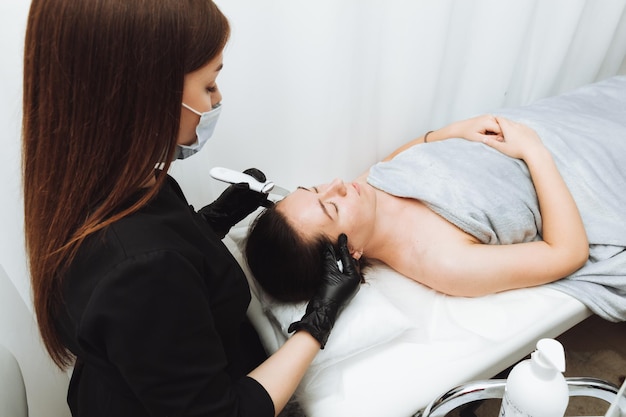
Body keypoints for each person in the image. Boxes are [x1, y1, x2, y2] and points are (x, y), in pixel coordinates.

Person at [22, 1, 363, 416]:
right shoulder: (141, 270)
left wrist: (215, 218)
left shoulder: (102, 181)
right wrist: (318, 321)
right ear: (145, 94)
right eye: (208, 86)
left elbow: (159, 269)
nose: (217, 100)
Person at [245, 114, 591, 302]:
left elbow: (401, 157)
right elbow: (567, 252)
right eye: (332, 207)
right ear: (349, 254)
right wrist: (534, 151)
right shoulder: (446, 263)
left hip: (545, 122)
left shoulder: (364, 188)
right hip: (576, 166)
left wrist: (457, 130)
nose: (337, 184)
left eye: (316, 188)